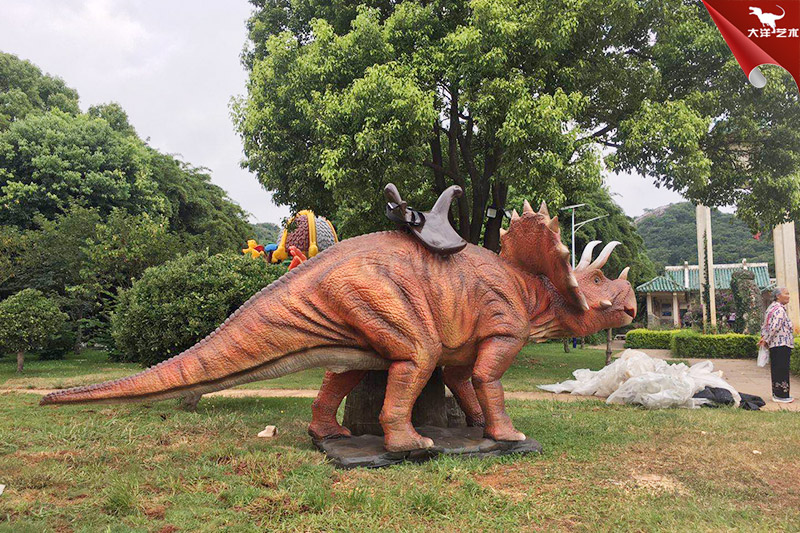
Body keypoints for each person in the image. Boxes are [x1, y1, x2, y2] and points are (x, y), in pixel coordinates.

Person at [759, 287, 794, 403]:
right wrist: (766, 339)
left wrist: (764, 338)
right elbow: (775, 327)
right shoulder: (779, 309)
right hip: (781, 343)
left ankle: (777, 393)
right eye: (786, 294)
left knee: (777, 369)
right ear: (778, 296)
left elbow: (765, 326)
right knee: (782, 369)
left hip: (775, 344)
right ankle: (781, 395)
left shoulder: (771, 308)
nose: (788, 296)